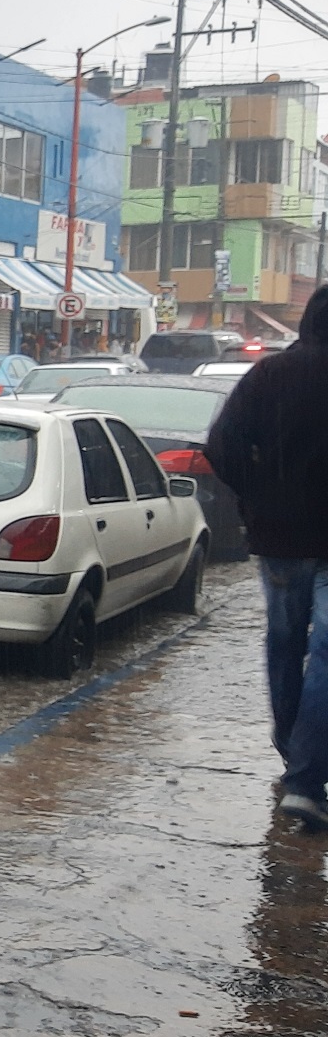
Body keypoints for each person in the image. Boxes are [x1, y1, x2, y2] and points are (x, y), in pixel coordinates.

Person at [208, 289, 328, 829]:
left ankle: (291, 750)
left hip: (280, 537)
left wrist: (260, 497)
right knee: (325, 654)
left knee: (285, 644)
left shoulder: (270, 377)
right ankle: (305, 778)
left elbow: (222, 445)